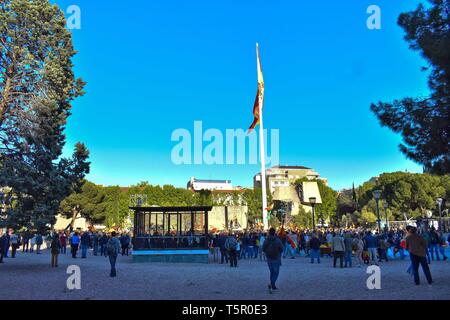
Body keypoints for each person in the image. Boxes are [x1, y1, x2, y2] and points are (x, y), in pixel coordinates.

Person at [262, 228, 284, 292]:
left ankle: (273, 285)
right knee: (276, 272)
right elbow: (282, 248)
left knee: (272, 272)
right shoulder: (277, 240)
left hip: (269, 258)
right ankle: (272, 284)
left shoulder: (266, 240)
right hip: (276, 257)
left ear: (269, 232)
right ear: (274, 233)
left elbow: (263, 248)